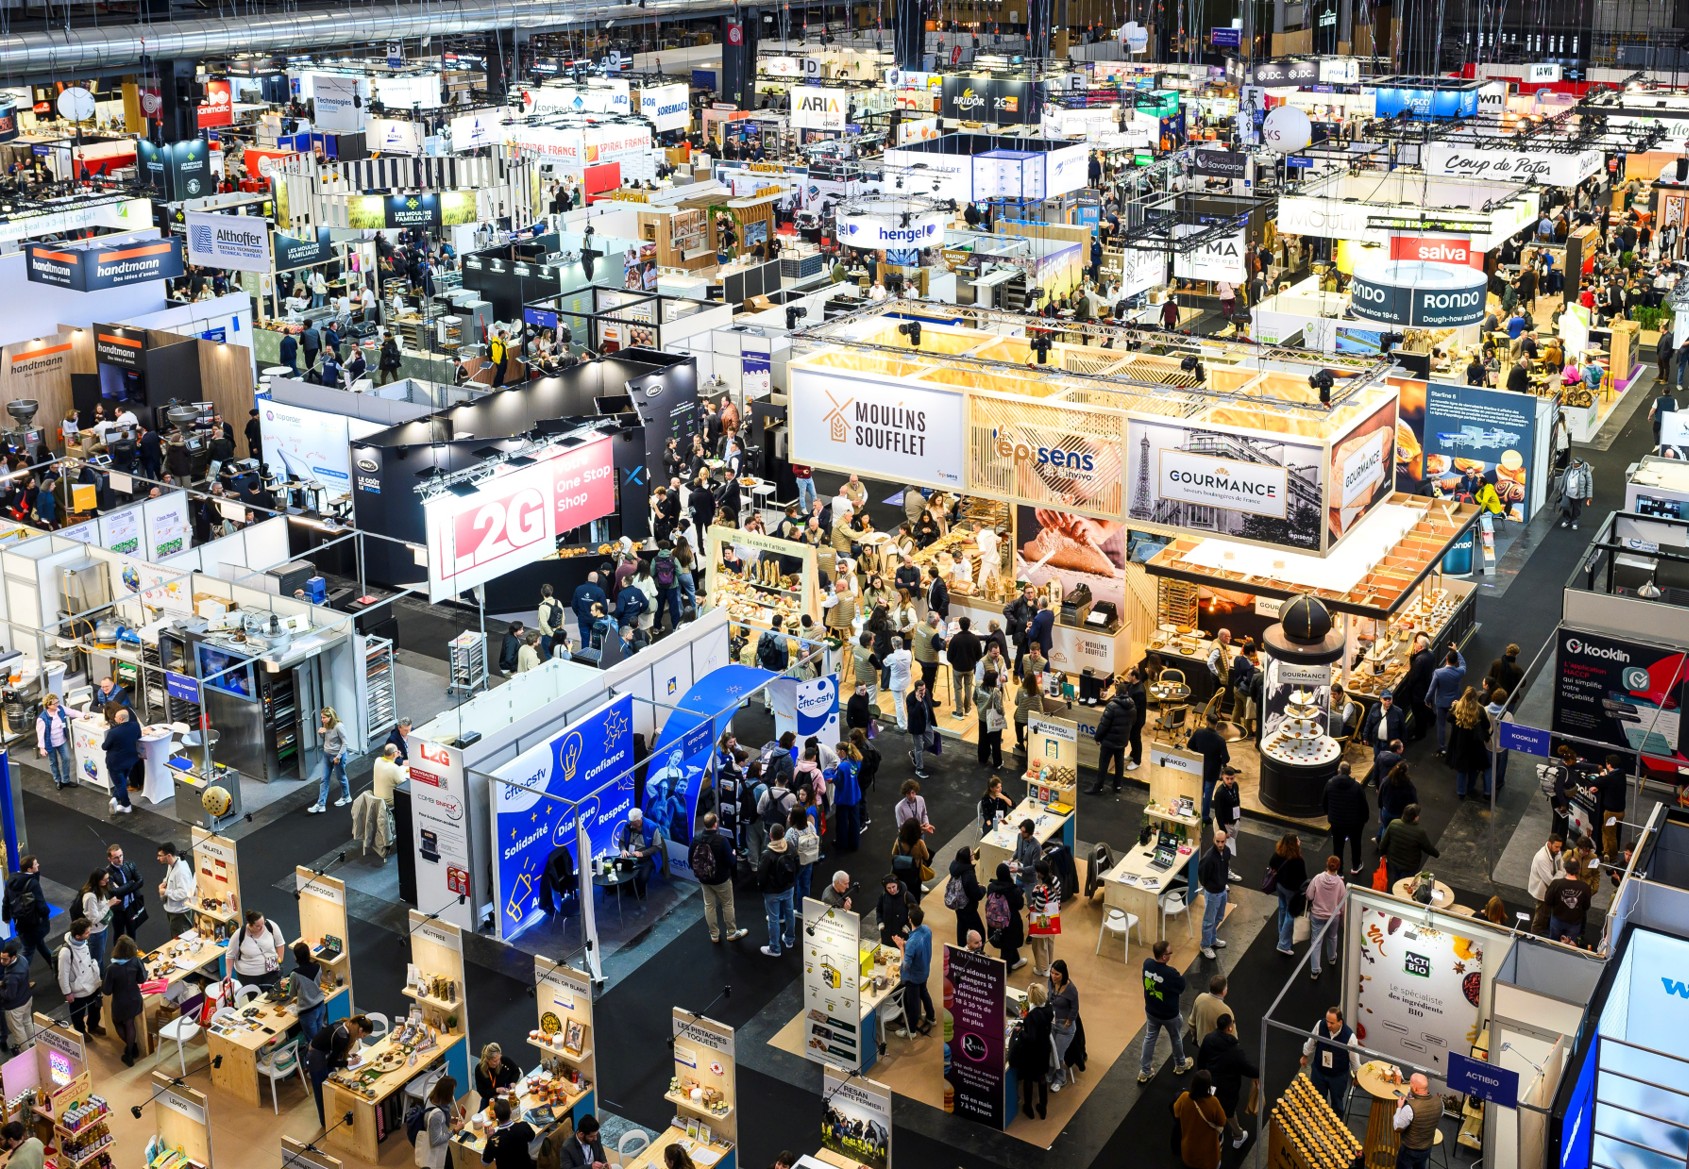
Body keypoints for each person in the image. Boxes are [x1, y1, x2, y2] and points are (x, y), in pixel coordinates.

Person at [1197, 1013, 1257, 1150]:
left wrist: (1203, 1077)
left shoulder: (1208, 1039)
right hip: (1227, 1087)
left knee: (1210, 1105)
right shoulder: (1234, 1050)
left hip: (1210, 1082)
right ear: (1230, 1028)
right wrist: (1259, 1072)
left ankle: (1215, 1129)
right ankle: (1238, 1136)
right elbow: (1246, 1068)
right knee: (1229, 1112)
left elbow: (1201, 1060)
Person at [1139, 939, 1191, 1083]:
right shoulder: (1171, 973)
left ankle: (1145, 1071)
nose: (1171, 955)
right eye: (1170, 953)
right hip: (1169, 1015)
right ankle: (1180, 1064)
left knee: (1149, 1038)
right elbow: (1181, 987)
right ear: (1164, 956)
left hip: (1151, 1011)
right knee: (1175, 1037)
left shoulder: (1147, 964)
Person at [306, 1014, 372, 1126]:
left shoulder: (345, 1024)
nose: (362, 1038)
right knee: (322, 1090)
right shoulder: (343, 1038)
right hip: (316, 1059)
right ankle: (325, 1122)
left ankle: (332, 1114)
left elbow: (334, 1048)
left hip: (323, 1052)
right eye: (364, 1035)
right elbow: (331, 1062)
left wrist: (349, 1055)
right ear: (360, 1030)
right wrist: (349, 1062)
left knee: (331, 1086)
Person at [691, 813, 745, 943]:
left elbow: (690, 860)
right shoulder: (721, 840)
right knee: (727, 905)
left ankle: (714, 934)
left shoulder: (696, 839)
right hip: (721, 879)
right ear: (715, 824)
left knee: (709, 906)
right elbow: (731, 861)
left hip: (704, 880)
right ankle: (731, 932)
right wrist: (733, 854)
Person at [1299, 1007, 1359, 1112]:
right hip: (1319, 1072)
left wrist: (1356, 1075)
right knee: (1317, 1101)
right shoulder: (1320, 1025)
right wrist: (1305, 1055)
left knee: (1337, 1103)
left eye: (1332, 1023)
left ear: (1340, 1022)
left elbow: (1354, 1059)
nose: (1328, 1025)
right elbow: (1311, 1041)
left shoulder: (1350, 1037)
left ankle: (1336, 1122)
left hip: (1338, 1077)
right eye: (1327, 1021)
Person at [1012, 981, 1054, 1119]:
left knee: (1028, 1078)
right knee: (1041, 1077)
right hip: (1044, 1048)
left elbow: (1031, 1037)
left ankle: (1028, 1106)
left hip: (1031, 1052)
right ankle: (1043, 1106)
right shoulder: (1048, 1008)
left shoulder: (1031, 1016)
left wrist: (1020, 1031)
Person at [3, 856, 51, 975]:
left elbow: (6, 901)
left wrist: (6, 917)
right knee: (28, 951)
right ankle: (17, 977)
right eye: (36, 864)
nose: (38, 865)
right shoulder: (32, 883)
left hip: (20, 922)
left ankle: (54, 962)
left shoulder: (12, 879)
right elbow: (41, 904)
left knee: (39, 943)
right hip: (34, 923)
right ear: (29, 869)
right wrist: (46, 914)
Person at [57, 918, 104, 1038]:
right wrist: (67, 992)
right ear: (78, 936)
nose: (89, 934)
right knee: (78, 1014)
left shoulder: (84, 942)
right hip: (78, 989)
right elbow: (62, 975)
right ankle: (81, 1033)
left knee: (95, 1008)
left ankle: (93, 1026)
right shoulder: (65, 952)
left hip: (92, 983)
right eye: (87, 933)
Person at [892, 904, 934, 1037]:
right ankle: (931, 1017)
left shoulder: (912, 943)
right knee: (924, 993)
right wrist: (905, 943)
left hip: (913, 977)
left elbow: (905, 965)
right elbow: (917, 947)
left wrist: (901, 947)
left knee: (913, 1004)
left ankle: (911, 1031)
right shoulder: (927, 930)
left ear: (909, 919)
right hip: (924, 970)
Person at [102, 935, 145, 1065]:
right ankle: (131, 1049)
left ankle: (130, 1050)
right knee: (130, 1023)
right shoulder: (136, 961)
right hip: (135, 999)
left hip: (120, 1002)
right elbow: (142, 979)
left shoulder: (111, 969)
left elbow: (107, 991)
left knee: (117, 1023)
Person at [757, 823, 798, 957]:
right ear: (783, 834)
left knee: (773, 920)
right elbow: (796, 864)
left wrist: (762, 889)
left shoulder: (767, 854)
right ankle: (789, 939)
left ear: (770, 836)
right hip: (788, 888)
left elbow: (762, 875)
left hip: (772, 892)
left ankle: (775, 948)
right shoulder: (790, 846)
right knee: (789, 913)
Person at [1321, 762, 1370, 875]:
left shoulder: (1330, 783)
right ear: (1350, 772)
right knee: (1355, 844)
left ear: (1338, 771)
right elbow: (1363, 804)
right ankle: (1356, 866)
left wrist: (1329, 814)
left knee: (1338, 846)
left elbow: (1324, 801)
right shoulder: (1356, 786)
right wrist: (1364, 818)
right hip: (1355, 822)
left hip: (1336, 821)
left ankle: (1339, 871)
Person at [1173, 1071, 1227, 1169]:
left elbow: (1176, 1112)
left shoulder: (1184, 1097)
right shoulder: (1213, 1102)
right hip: (1208, 1155)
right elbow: (1222, 1121)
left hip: (1188, 1151)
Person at [1088, 680, 1134, 795]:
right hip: (1122, 740)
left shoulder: (1111, 706)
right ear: (1126, 693)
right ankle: (1117, 786)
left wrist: (1097, 737)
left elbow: (1103, 725)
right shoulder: (1132, 706)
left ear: (1116, 693)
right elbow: (1133, 722)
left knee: (1103, 765)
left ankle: (1098, 787)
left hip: (1109, 741)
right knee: (1119, 764)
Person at [1305, 857, 1347, 981]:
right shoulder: (1340, 883)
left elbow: (1309, 895)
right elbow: (1342, 902)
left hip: (1317, 915)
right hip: (1333, 916)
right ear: (1338, 867)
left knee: (1316, 942)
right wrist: (1343, 917)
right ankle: (1332, 958)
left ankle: (1315, 970)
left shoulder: (1317, 878)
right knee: (1332, 937)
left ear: (1327, 864)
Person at [1447, 686, 1493, 799]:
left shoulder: (1457, 707)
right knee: (1474, 768)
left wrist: (1452, 707)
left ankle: (1461, 792)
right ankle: (1470, 788)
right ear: (1475, 697)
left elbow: (1449, 718)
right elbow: (1486, 725)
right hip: (1475, 743)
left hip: (1460, 742)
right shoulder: (1479, 709)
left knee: (1461, 769)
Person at [1267, 834, 1308, 957]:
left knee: (1282, 909)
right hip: (1292, 891)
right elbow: (1303, 878)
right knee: (1291, 915)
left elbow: (1271, 864)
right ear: (1294, 844)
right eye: (1297, 840)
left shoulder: (1278, 854)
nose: (1299, 841)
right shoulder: (1298, 860)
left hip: (1280, 886)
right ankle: (1283, 944)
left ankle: (1282, 933)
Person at [1380, 804, 1439, 888]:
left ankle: (1396, 887)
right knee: (1406, 884)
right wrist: (1437, 854)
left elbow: (1383, 843)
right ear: (1415, 818)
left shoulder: (1394, 823)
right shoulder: (1419, 832)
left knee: (1396, 877)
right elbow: (1428, 848)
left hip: (1393, 861)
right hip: (1409, 866)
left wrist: (1382, 853)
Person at [1393, 1073, 1443, 1169]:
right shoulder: (1439, 1102)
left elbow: (1397, 1127)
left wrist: (1399, 1107)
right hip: (1427, 1148)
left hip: (1410, 1150)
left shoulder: (1409, 1108)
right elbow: (1437, 1115)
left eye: (1410, 1084)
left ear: (1415, 1088)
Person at [1187, 716, 1230, 825]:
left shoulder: (1199, 732)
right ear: (1217, 724)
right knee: (1208, 795)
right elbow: (1226, 759)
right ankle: (1205, 817)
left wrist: (1199, 752)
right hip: (1212, 770)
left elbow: (1190, 745)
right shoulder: (1220, 740)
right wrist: (1218, 759)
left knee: (1197, 791)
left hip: (1199, 767)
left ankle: (1194, 812)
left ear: (1207, 722)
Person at [229, 910, 287, 989]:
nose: (262, 927)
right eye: (258, 926)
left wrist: (279, 960)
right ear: (250, 925)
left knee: (273, 992)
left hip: (271, 970)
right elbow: (230, 955)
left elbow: (280, 943)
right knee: (255, 995)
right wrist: (228, 975)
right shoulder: (239, 934)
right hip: (248, 976)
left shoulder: (270, 926)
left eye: (263, 923)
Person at [308, 707, 350, 814]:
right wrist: (321, 733)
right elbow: (327, 739)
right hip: (327, 755)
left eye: (324, 717)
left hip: (337, 756)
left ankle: (346, 797)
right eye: (321, 717)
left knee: (341, 777)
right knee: (324, 779)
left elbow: (345, 743)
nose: (322, 719)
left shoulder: (339, 726)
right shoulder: (326, 725)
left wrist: (338, 757)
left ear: (330, 717)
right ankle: (321, 804)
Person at [415, 1075, 462, 1169]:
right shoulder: (437, 1115)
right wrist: (454, 1131)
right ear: (446, 1095)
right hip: (439, 1150)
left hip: (435, 1133)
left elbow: (438, 1118)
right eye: (452, 1092)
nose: (453, 1095)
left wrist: (451, 1119)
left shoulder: (431, 1099)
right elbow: (435, 1141)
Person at [615, 808, 663, 900]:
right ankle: (628, 888)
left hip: (647, 857)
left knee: (643, 877)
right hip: (631, 856)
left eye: (633, 823)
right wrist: (623, 850)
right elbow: (621, 842)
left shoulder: (652, 827)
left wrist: (642, 853)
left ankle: (640, 892)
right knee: (621, 870)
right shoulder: (628, 826)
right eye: (630, 822)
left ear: (639, 820)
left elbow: (657, 846)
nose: (631, 825)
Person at [104, 844, 146, 946]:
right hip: (118, 909)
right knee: (119, 934)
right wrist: (131, 883)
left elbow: (141, 881)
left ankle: (132, 951)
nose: (120, 859)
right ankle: (118, 954)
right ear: (109, 859)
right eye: (116, 857)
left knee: (132, 930)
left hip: (131, 906)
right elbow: (114, 892)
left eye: (121, 855)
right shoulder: (107, 873)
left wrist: (122, 889)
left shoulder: (129, 865)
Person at [985, 863, 1025, 970]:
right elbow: (1020, 905)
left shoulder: (991, 887)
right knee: (1008, 946)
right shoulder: (1013, 890)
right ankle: (1005, 971)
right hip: (1010, 922)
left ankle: (1016, 960)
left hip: (994, 921)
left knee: (1004, 943)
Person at [1198, 830, 1230, 961]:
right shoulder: (1209, 857)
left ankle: (1211, 939)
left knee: (1219, 917)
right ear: (1213, 840)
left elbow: (1226, 867)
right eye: (1218, 841)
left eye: (1222, 841)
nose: (1220, 844)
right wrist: (1209, 886)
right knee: (1209, 921)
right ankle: (1205, 945)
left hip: (1222, 891)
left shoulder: (1227, 851)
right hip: (1212, 893)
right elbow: (1202, 875)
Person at [287, 941, 327, 1047]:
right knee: (319, 1036)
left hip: (307, 1011)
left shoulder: (295, 974)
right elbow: (318, 983)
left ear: (296, 957)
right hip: (320, 1005)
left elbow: (292, 993)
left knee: (313, 1043)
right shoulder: (317, 967)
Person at [101, 708, 140, 815]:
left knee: (119, 784)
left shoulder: (114, 732)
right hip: (130, 760)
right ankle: (115, 798)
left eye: (116, 717)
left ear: (121, 719)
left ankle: (126, 805)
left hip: (116, 763)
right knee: (122, 781)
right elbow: (138, 737)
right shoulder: (135, 726)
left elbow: (104, 746)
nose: (114, 719)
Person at [480, 1097, 537, 1169]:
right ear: (510, 1111)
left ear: (496, 1116)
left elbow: (485, 1163)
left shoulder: (494, 1140)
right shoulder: (523, 1126)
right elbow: (532, 1138)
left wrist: (489, 1139)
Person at [1546, 858, 1593, 944]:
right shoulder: (1585, 887)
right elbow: (1586, 906)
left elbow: (1548, 900)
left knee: (1553, 943)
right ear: (1578, 870)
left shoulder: (1556, 883)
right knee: (1569, 947)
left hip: (1557, 920)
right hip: (1574, 923)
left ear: (1565, 868)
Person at [1027, 859, 1061, 975]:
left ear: (1040, 873)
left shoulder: (1042, 890)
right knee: (1050, 940)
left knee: (1040, 944)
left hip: (1043, 918)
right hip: (1053, 914)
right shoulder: (1055, 880)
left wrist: (1034, 894)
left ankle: (1043, 968)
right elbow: (1058, 895)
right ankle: (1049, 963)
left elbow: (1038, 907)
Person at [1592, 753, 1627, 862]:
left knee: (1610, 835)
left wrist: (1602, 775)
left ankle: (1612, 857)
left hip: (1612, 812)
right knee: (1606, 831)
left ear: (1609, 765)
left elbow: (1596, 782)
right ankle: (1606, 853)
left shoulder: (1609, 778)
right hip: (1620, 811)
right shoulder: (1621, 774)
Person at [1528, 834, 1566, 935]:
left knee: (1547, 915)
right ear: (1549, 844)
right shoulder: (1541, 858)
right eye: (1556, 847)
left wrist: (1560, 873)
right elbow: (1550, 881)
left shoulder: (1557, 852)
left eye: (1560, 847)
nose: (1559, 849)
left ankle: (1543, 933)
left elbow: (1563, 869)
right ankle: (1534, 935)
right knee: (1540, 916)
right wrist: (1560, 874)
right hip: (1542, 891)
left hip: (1552, 890)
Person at [77, 870, 114, 972]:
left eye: (107, 878)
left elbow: (99, 906)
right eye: (105, 879)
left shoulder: (98, 890)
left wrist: (108, 903)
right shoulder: (90, 896)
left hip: (102, 928)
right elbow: (93, 919)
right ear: (97, 880)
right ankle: (97, 978)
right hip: (96, 932)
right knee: (96, 960)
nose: (107, 881)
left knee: (100, 956)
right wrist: (109, 905)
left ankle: (101, 975)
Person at [35, 692, 73, 790]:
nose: (57, 704)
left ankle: (66, 780)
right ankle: (58, 780)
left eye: (57, 702)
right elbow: (40, 734)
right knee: (53, 762)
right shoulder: (42, 718)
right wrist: (42, 748)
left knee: (66, 758)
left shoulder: (60, 709)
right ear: (48, 705)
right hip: (50, 743)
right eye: (55, 703)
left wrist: (84, 715)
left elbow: (72, 712)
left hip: (62, 740)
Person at [158, 842, 196, 936]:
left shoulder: (181, 871)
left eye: (160, 856)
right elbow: (170, 877)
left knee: (181, 938)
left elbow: (184, 893)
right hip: (173, 910)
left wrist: (165, 891)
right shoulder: (172, 864)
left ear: (169, 856)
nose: (158, 858)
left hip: (180, 913)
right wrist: (165, 882)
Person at [906, 680, 936, 780]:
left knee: (930, 742)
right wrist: (918, 702)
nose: (923, 691)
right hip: (917, 727)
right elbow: (912, 714)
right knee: (919, 748)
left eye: (924, 689)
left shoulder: (926, 692)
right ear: (916, 690)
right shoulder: (910, 698)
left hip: (927, 724)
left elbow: (929, 706)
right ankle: (919, 769)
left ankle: (914, 753)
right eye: (921, 690)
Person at [1189, 975, 1230, 1049]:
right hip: (1216, 1049)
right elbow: (1231, 1036)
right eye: (1226, 987)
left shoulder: (1200, 998)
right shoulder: (1226, 1010)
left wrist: (1196, 1036)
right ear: (1223, 991)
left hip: (1201, 1043)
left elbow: (1192, 1023)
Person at [1560, 454, 1594, 529]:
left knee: (1576, 509)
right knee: (1564, 505)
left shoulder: (1586, 472)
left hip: (1578, 494)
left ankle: (1574, 521)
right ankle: (1567, 519)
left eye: (1576, 463)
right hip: (1567, 492)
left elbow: (1589, 484)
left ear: (1580, 464)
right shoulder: (1568, 469)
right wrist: (1561, 489)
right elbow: (1563, 479)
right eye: (1573, 463)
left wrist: (1589, 496)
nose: (1574, 464)